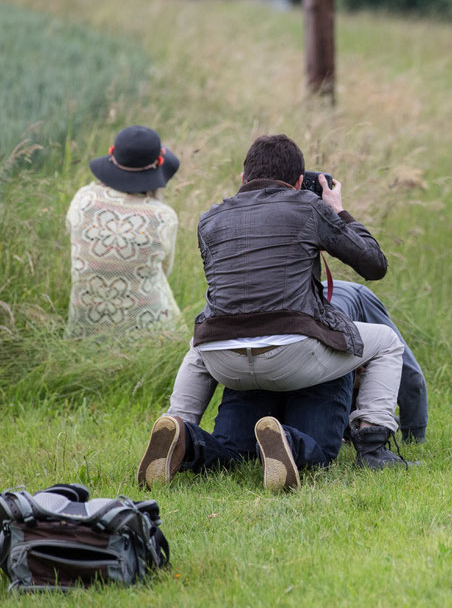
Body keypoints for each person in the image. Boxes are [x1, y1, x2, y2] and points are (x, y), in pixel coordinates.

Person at [137, 135, 408, 492]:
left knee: (200, 342)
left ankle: (181, 430)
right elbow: (374, 265)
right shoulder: (308, 207)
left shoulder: (209, 219)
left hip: (223, 357)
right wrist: (337, 208)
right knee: (387, 341)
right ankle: (373, 448)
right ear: (299, 182)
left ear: (242, 176)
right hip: (291, 350)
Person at [165, 280, 429, 444]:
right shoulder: (358, 294)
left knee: (233, 449)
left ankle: (182, 433)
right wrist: (413, 433)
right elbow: (409, 374)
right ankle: (298, 445)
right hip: (311, 358)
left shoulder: (264, 287)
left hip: (249, 354)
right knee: (317, 444)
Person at [66, 125, 181, 337]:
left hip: (84, 327)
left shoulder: (83, 200)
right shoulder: (163, 217)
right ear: (157, 168)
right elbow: (164, 271)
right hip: (148, 332)